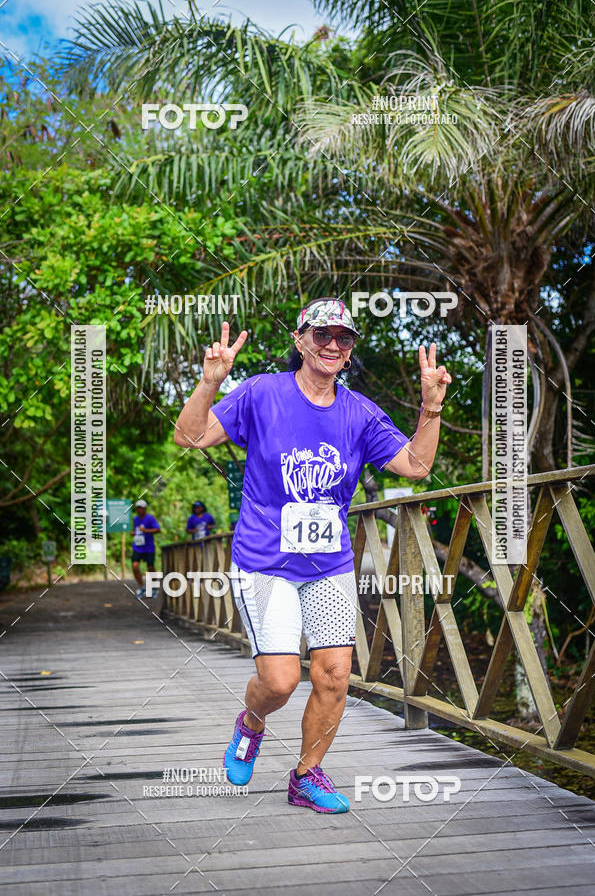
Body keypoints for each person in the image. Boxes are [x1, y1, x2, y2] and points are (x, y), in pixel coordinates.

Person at [173, 298, 451, 813]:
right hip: (265, 560)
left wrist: (430, 405)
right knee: (280, 682)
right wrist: (211, 381)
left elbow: (415, 466)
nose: (332, 344)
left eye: (343, 338)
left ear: (349, 352)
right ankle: (252, 721)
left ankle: (306, 775)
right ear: (300, 341)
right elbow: (188, 436)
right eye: (322, 334)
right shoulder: (261, 393)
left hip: (329, 565)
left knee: (334, 674)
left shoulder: (360, 413)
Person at [131, 499, 161, 598]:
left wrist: (146, 530)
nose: (139, 510)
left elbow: (158, 529)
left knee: (150, 567)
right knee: (135, 566)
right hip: (138, 546)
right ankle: (141, 587)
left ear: (145, 509)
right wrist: (133, 533)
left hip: (148, 547)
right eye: (138, 508)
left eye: (141, 508)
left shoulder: (150, 518)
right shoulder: (135, 519)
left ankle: (154, 587)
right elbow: (135, 530)